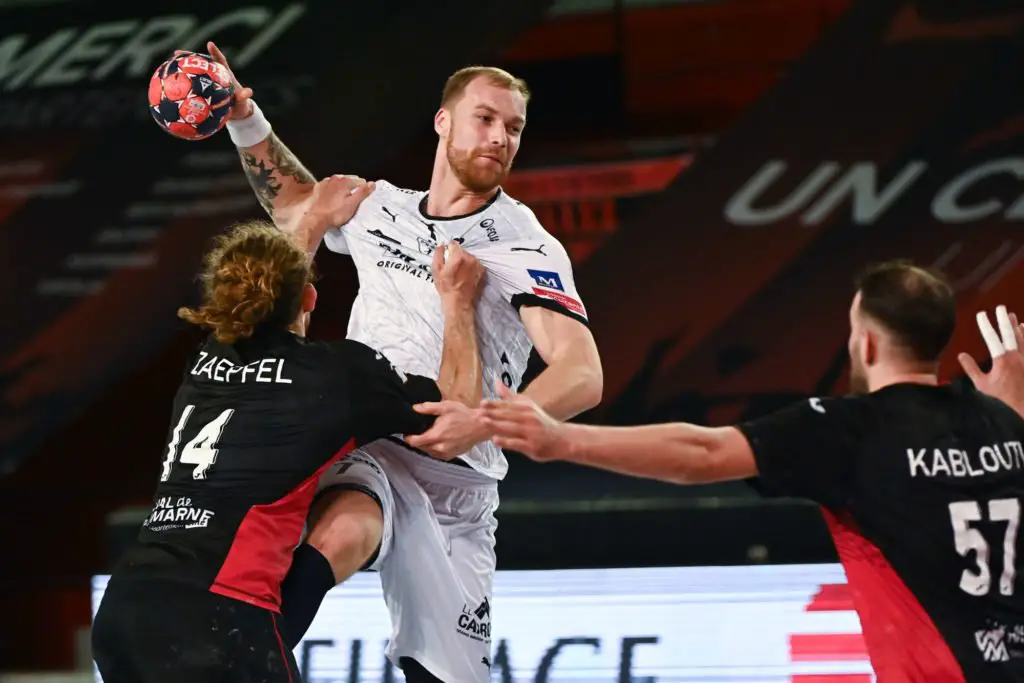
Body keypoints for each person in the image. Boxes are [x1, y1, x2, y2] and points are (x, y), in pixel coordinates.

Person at [197, 41, 604, 683]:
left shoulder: (526, 246)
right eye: (485, 119)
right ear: (443, 121)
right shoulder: (381, 206)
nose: (500, 138)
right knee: (342, 530)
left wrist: (483, 422)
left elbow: (583, 375)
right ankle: (230, 669)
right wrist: (246, 118)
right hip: (376, 443)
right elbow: (296, 205)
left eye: (514, 128)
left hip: (461, 488)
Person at [476, 260, 1024, 682]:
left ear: (867, 342)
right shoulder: (1000, 421)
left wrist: (562, 439)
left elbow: (704, 453)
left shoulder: (852, 429)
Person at [90, 211, 488, 683]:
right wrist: (458, 303)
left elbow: (262, 279)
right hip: (219, 616)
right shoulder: (334, 375)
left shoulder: (206, 357)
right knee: (359, 511)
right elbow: (458, 412)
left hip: (125, 611)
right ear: (310, 297)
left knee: (357, 519)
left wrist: (313, 220)